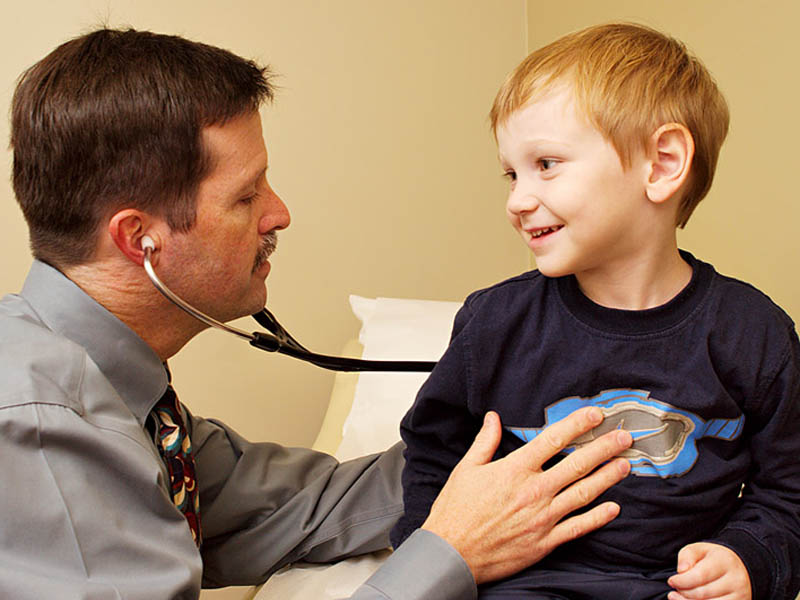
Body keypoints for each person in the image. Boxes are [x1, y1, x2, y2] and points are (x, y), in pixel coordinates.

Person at [0, 27, 635, 600]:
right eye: (245, 196)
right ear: (140, 239)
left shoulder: (130, 401)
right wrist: (451, 556)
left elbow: (301, 508)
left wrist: (514, 426)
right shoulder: (41, 428)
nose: (278, 214)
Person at [391, 22, 800, 600]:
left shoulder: (754, 335)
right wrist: (431, 573)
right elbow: (434, 460)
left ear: (661, 164)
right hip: (520, 586)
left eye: (546, 164)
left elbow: (788, 494)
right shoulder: (495, 323)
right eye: (511, 173)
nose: (517, 200)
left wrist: (747, 560)